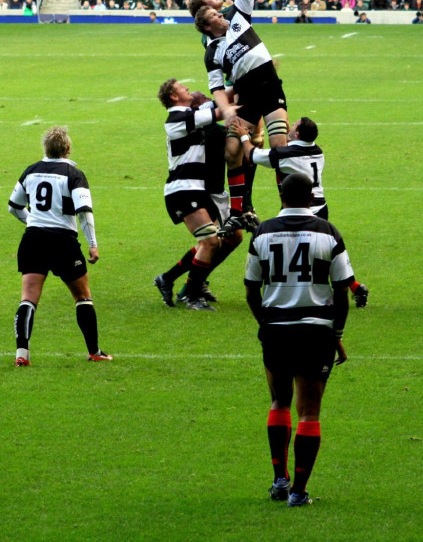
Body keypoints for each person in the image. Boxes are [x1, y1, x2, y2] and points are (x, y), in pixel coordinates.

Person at [244, 173, 355, 507]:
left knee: (279, 402)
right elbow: (342, 291)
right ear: (311, 197)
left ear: (281, 195)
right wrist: (336, 335)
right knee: (309, 413)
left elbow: (251, 287)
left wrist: (265, 322)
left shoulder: (262, 232)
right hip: (315, 331)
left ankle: (280, 479)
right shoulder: (328, 232)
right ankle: (298, 492)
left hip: (276, 329)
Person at [193, 0, 290, 211]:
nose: (220, 13)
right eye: (214, 13)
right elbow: (217, 88)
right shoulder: (211, 51)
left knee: (279, 147)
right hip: (246, 95)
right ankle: (239, 209)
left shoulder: (238, 15)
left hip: (269, 86)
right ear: (207, 25)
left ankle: (287, 206)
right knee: (232, 150)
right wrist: (225, 110)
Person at [233, 117, 370, 308]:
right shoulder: (317, 150)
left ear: (297, 134)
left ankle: (284, 294)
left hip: (300, 208)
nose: (290, 126)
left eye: (294, 126)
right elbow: (295, 149)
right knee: (323, 254)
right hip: (320, 207)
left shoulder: (285, 154)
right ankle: (354, 286)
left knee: (296, 254)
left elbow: (252, 155)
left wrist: (242, 137)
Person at [7, 126, 112, 366]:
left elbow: (13, 206)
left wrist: (33, 221)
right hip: (63, 241)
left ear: (45, 148)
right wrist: (93, 244)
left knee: (28, 298)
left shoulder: (30, 171)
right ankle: (94, 351)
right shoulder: (74, 174)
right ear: (67, 149)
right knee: (82, 295)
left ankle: (21, 355)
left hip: (33, 239)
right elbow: (84, 212)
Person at [153, 89, 245, 308]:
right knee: (210, 241)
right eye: (182, 88)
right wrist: (247, 99)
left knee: (222, 239)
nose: (187, 89)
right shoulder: (177, 117)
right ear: (174, 97)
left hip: (200, 191)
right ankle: (191, 295)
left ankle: (170, 279)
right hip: (184, 189)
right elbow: (220, 111)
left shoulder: (195, 121)